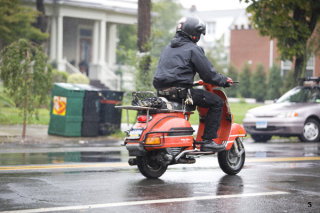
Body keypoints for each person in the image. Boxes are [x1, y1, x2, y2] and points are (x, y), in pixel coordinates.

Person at [153, 17, 234, 152]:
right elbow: (208, 75)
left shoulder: (168, 47)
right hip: (181, 93)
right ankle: (207, 141)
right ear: (193, 33)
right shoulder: (193, 49)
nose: (199, 38)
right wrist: (223, 81)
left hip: (162, 92)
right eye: (199, 34)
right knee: (217, 102)